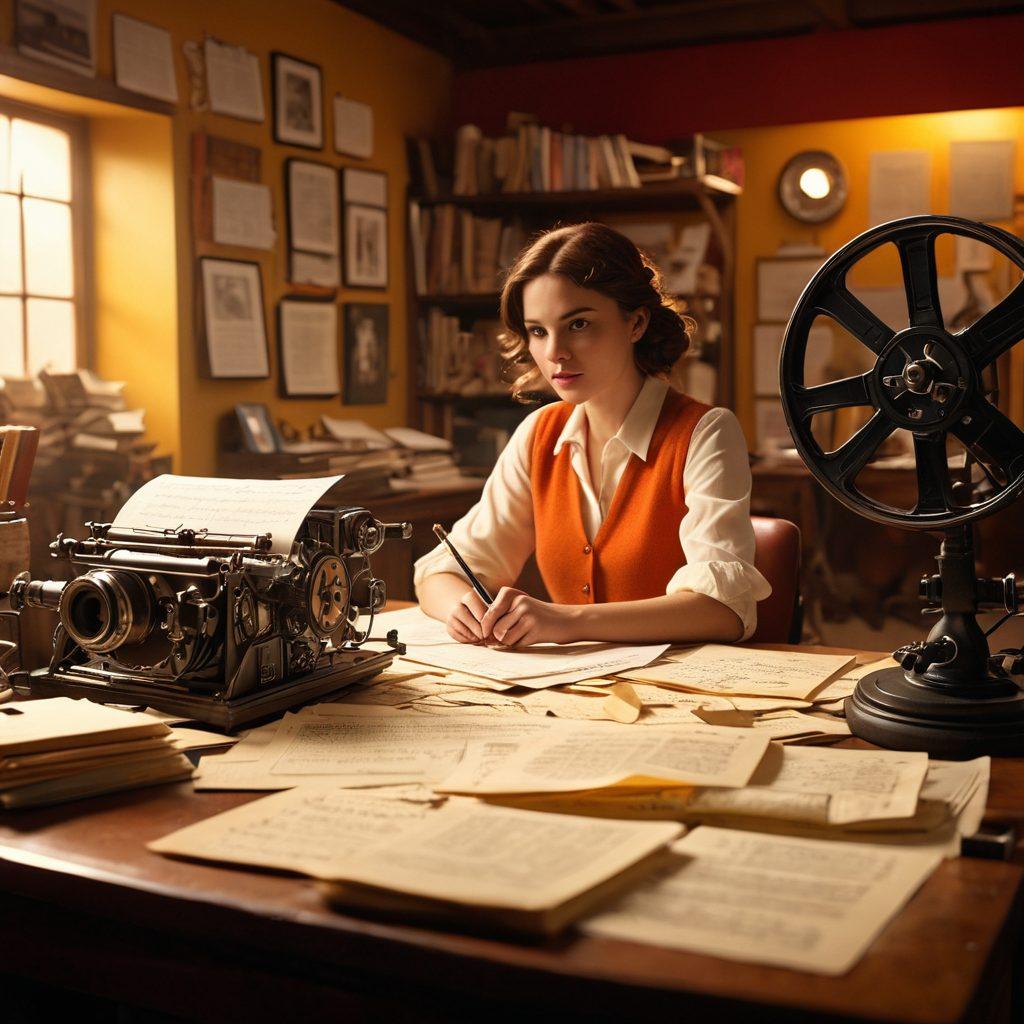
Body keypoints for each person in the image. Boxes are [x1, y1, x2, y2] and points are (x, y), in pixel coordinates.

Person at [414, 221, 771, 647]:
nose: (555, 353)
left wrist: (568, 621)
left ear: (636, 323)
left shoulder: (705, 432)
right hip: (576, 695)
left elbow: (723, 611)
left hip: (682, 694)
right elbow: (439, 573)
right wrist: (463, 609)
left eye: (578, 325)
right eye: (538, 331)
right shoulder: (538, 435)